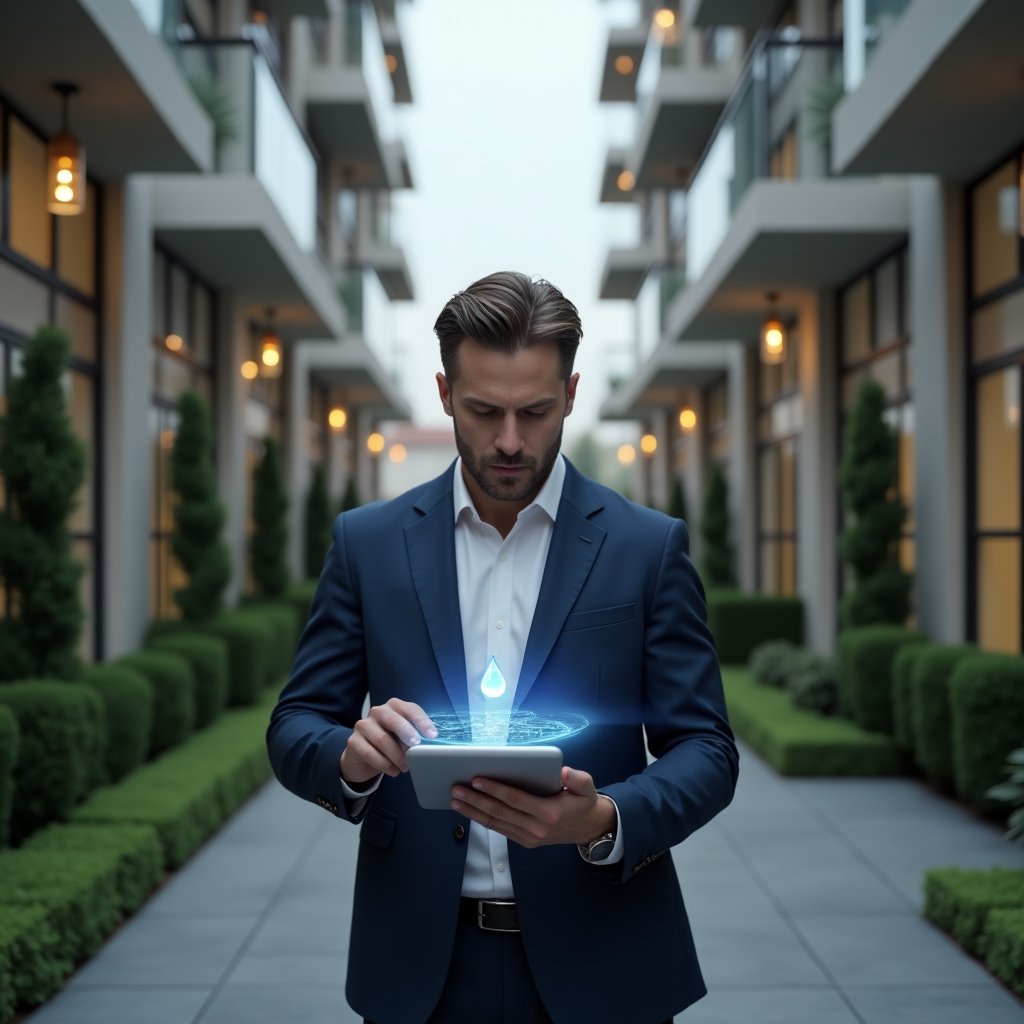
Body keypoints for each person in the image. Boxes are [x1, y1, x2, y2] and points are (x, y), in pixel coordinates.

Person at [267, 271, 738, 1024]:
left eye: (536, 411)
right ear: (446, 392)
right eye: (485, 411)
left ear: (573, 394)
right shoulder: (369, 543)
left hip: (609, 964)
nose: (511, 440)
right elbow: (294, 727)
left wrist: (605, 819)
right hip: (421, 969)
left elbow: (708, 751)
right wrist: (350, 761)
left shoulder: (648, 548)